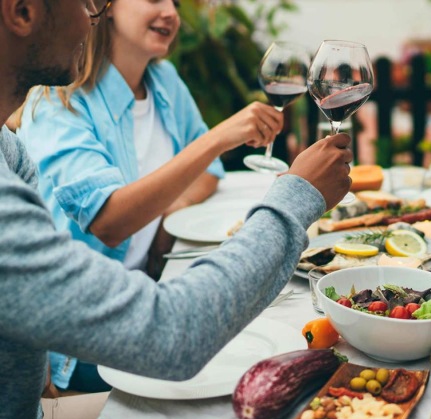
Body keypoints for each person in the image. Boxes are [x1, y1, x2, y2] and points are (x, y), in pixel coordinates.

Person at [0, 0, 352, 419]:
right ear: (21, 12)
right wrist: (296, 198)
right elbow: (170, 332)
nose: (91, 18)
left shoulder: (7, 147)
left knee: (267, 407)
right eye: (86, 2)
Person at [13, 0, 284, 393]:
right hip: (87, 337)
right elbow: (109, 222)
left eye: (174, 1)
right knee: (241, 364)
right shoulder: (58, 103)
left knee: (264, 341)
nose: (170, 12)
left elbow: (208, 172)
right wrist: (217, 139)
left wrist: (170, 213)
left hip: (149, 293)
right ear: (105, 7)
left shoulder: (163, 80)